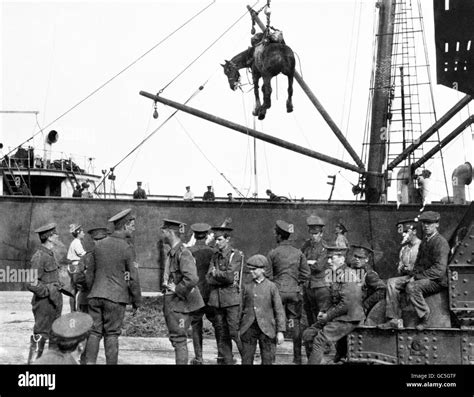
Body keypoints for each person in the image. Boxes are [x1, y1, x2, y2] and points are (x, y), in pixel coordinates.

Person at [84, 209, 142, 365]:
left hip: (95, 296)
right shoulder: (127, 247)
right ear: (125, 225)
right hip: (115, 299)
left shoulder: (99, 245)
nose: (134, 229)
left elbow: (89, 275)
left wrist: (93, 290)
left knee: (94, 333)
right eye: (132, 225)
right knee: (111, 335)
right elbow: (134, 278)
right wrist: (136, 301)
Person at [379, 212, 449, 330]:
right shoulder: (426, 241)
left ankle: (425, 317)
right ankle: (394, 319)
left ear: (437, 224)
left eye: (430, 223)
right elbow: (419, 264)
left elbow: (439, 270)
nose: (426, 226)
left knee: (412, 287)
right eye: (424, 223)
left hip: (436, 281)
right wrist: (413, 274)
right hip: (423, 277)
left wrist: (416, 277)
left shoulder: (440, 243)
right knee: (392, 282)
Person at [303, 246, 364, 365]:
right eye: (328, 258)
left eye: (332, 258)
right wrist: (323, 310)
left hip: (349, 318)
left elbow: (346, 304)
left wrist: (328, 316)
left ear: (342, 259)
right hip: (340, 317)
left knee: (320, 339)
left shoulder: (348, 275)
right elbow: (331, 296)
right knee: (307, 334)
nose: (329, 261)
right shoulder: (336, 273)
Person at [160, 219, 204, 364]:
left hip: (180, 304)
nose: (162, 234)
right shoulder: (173, 252)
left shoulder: (182, 252)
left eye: (164, 231)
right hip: (175, 304)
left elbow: (192, 278)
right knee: (177, 339)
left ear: (170, 232)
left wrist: (177, 289)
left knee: (179, 340)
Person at [267, 220, 310, 365]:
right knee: (294, 322)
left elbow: (267, 274)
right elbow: (306, 274)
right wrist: (296, 284)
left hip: (278, 292)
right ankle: (297, 358)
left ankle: (271, 358)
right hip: (294, 293)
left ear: (279, 236)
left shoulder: (273, 253)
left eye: (276, 234)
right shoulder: (298, 253)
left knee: (275, 322)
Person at [26, 223, 64, 364]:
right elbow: (31, 282)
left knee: (55, 336)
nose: (57, 236)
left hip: (54, 302)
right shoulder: (39, 256)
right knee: (41, 335)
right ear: (49, 237)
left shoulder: (50, 254)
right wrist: (48, 291)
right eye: (55, 234)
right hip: (44, 303)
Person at [206, 226, 244, 364]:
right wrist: (217, 276)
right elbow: (208, 278)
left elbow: (229, 277)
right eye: (215, 239)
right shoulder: (215, 256)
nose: (216, 242)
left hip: (231, 300)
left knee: (234, 331)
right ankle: (228, 360)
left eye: (220, 239)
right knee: (221, 333)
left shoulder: (236, 255)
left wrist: (216, 273)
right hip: (217, 300)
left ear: (228, 239)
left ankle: (247, 358)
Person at [240, 255, 286, 365]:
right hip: (248, 328)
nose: (251, 272)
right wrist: (237, 328)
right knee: (246, 360)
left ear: (263, 270)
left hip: (267, 329)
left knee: (268, 360)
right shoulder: (246, 286)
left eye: (254, 269)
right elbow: (240, 308)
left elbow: (279, 310)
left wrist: (280, 331)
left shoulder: (271, 287)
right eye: (250, 269)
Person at [187, 223, 220, 365]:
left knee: (196, 324)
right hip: (211, 293)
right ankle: (222, 355)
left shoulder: (188, 251)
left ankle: (199, 357)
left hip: (196, 293)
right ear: (207, 236)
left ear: (194, 235)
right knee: (218, 324)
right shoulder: (214, 251)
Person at [301, 215, 330, 331]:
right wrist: (310, 263)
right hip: (308, 286)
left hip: (320, 286)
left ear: (321, 234)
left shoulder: (325, 247)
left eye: (316, 234)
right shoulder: (306, 245)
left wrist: (306, 263)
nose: (313, 236)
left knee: (321, 314)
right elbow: (300, 260)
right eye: (311, 234)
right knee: (310, 315)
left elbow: (318, 266)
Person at [349, 243, 386, 316]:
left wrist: (366, 305)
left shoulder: (369, 274)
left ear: (366, 259)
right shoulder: (350, 270)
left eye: (360, 257)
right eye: (355, 256)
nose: (357, 259)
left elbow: (383, 290)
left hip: (358, 311)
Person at [67, 224, 86, 312]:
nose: (84, 234)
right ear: (78, 233)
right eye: (82, 232)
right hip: (77, 267)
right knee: (81, 289)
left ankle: (72, 311)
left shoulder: (73, 242)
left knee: (73, 290)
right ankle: (78, 311)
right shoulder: (77, 242)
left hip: (71, 267)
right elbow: (82, 254)